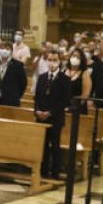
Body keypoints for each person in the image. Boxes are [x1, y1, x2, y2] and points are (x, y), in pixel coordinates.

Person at [33, 49, 70, 179]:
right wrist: (37, 110)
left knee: (54, 145)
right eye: (50, 60)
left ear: (59, 62)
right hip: (41, 117)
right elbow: (37, 97)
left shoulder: (64, 79)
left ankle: (55, 173)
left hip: (55, 117)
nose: (52, 63)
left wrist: (50, 112)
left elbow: (64, 101)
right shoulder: (42, 77)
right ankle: (42, 172)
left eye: (55, 60)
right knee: (43, 145)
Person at [65, 48, 91, 113]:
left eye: (78, 57)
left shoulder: (84, 74)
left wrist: (73, 107)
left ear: (81, 60)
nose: (75, 58)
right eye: (73, 56)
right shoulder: (64, 71)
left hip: (77, 109)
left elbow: (85, 95)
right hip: (64, 107)